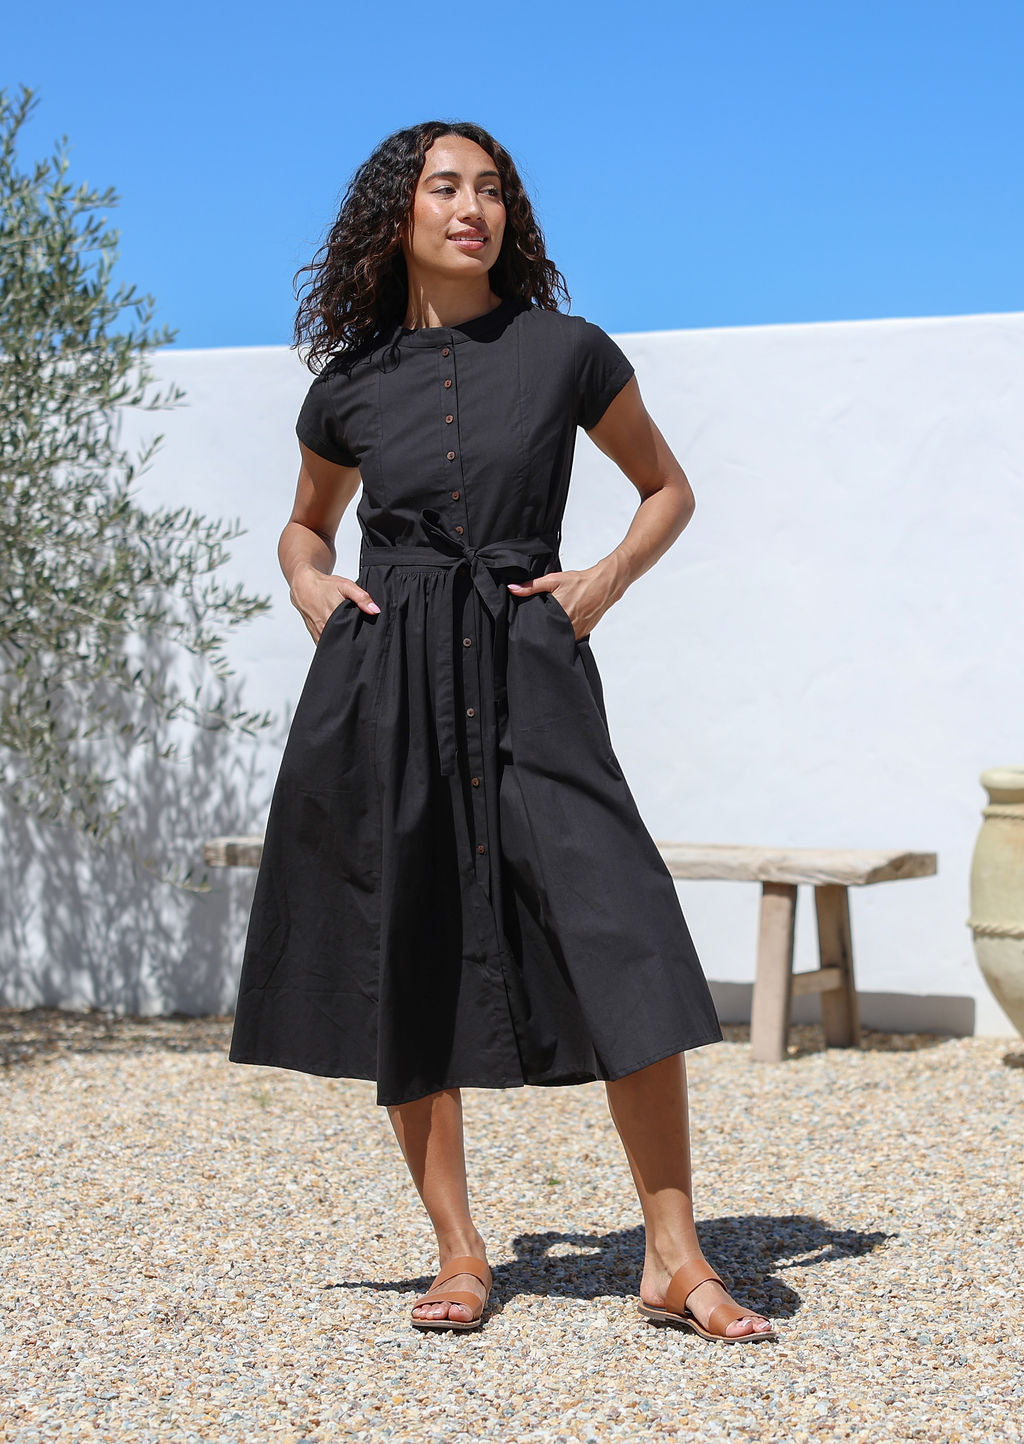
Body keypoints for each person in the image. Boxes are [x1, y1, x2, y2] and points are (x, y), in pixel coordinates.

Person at [228, 120, 776, 1344]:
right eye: (443, 187)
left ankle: (671, 1255)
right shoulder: (350, 388)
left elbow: (666, 486)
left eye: (490, 189)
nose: (469, 206)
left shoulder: (569, 352)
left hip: (531, 660)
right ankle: (461, 1251)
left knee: (621, 927)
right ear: (400, 216)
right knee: (408, 941)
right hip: (390, 677)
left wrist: (602, 581)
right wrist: (312, 589)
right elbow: (304, 528)